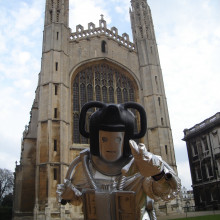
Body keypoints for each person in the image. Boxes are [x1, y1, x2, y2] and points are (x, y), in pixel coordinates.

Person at [57, 102, 180, 220]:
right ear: (95, 140)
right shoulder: (86, 168)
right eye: (104, 139)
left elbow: (162, 192)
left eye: (117, 140)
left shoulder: (140, 167)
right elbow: (79, 199)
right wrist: (70, 195)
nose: (111, 146)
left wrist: (158, 174)